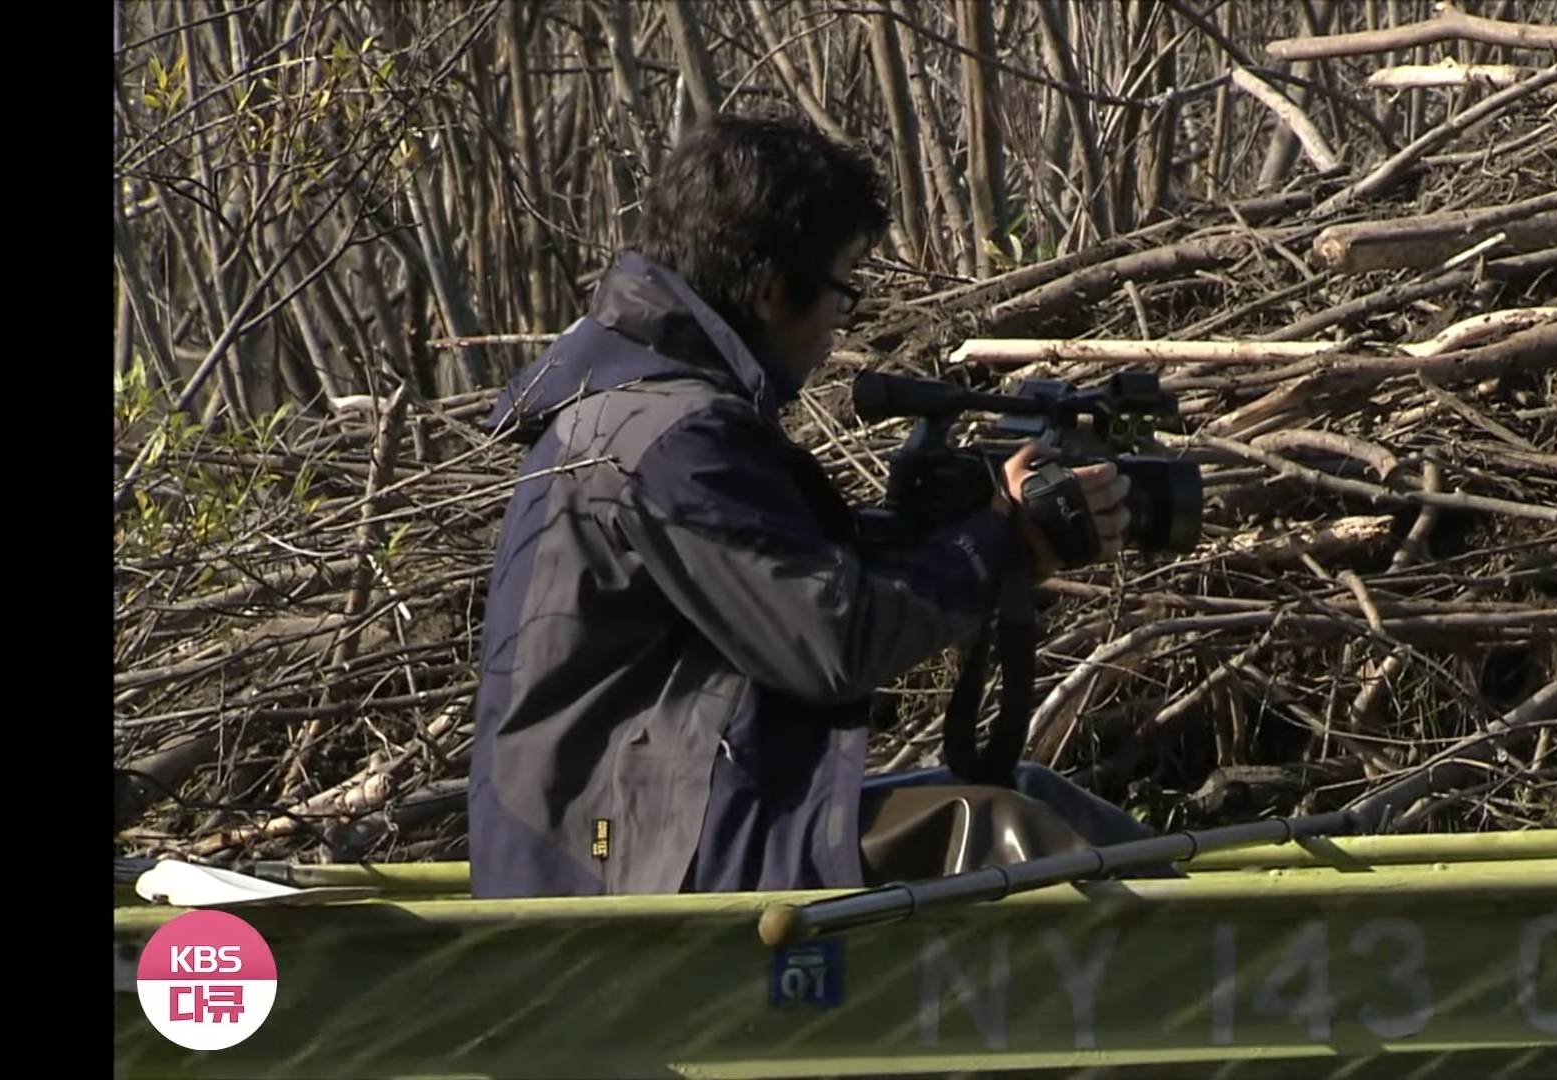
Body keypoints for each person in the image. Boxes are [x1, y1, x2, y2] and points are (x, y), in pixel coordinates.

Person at [467, 115, 1140, 899]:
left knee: (1031, 791)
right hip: (609, 858)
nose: (840, 319)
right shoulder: (672, 439)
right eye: (842, 285)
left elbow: (782, 581)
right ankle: (1228, 980)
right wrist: (999, 542)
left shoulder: (646, 405)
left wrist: (947, 527)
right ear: (767, 288)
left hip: (621, 831)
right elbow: (829, 641)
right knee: (989, 831)